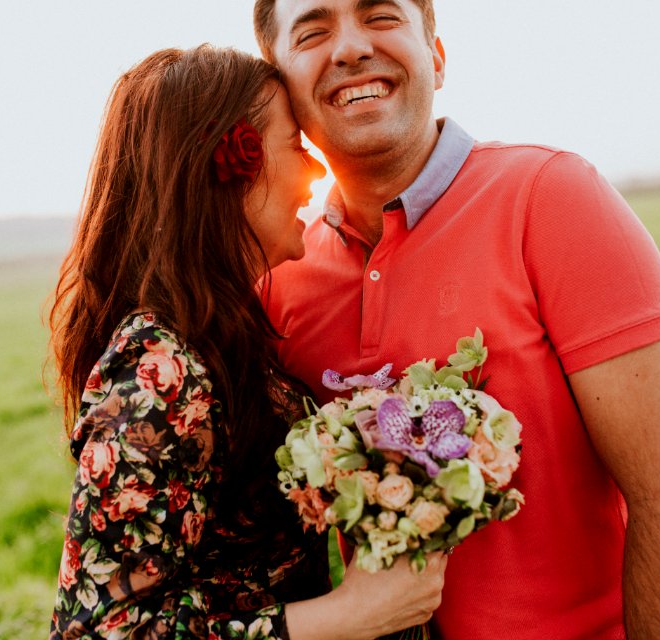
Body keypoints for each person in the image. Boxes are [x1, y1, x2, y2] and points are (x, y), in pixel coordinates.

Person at [253, 1, 660, 638]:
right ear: (277, 85)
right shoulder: (280, 278)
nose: (351, 48)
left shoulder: (553, 198)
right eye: (313, 31)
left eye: (381, 16)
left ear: (437, 59)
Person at [47, 44, 447, 640]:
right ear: (231, 165)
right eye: (294, 144)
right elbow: (98, 631)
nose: (315, 169)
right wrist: (350, 616)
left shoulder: (218, 332)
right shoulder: (162, 367)